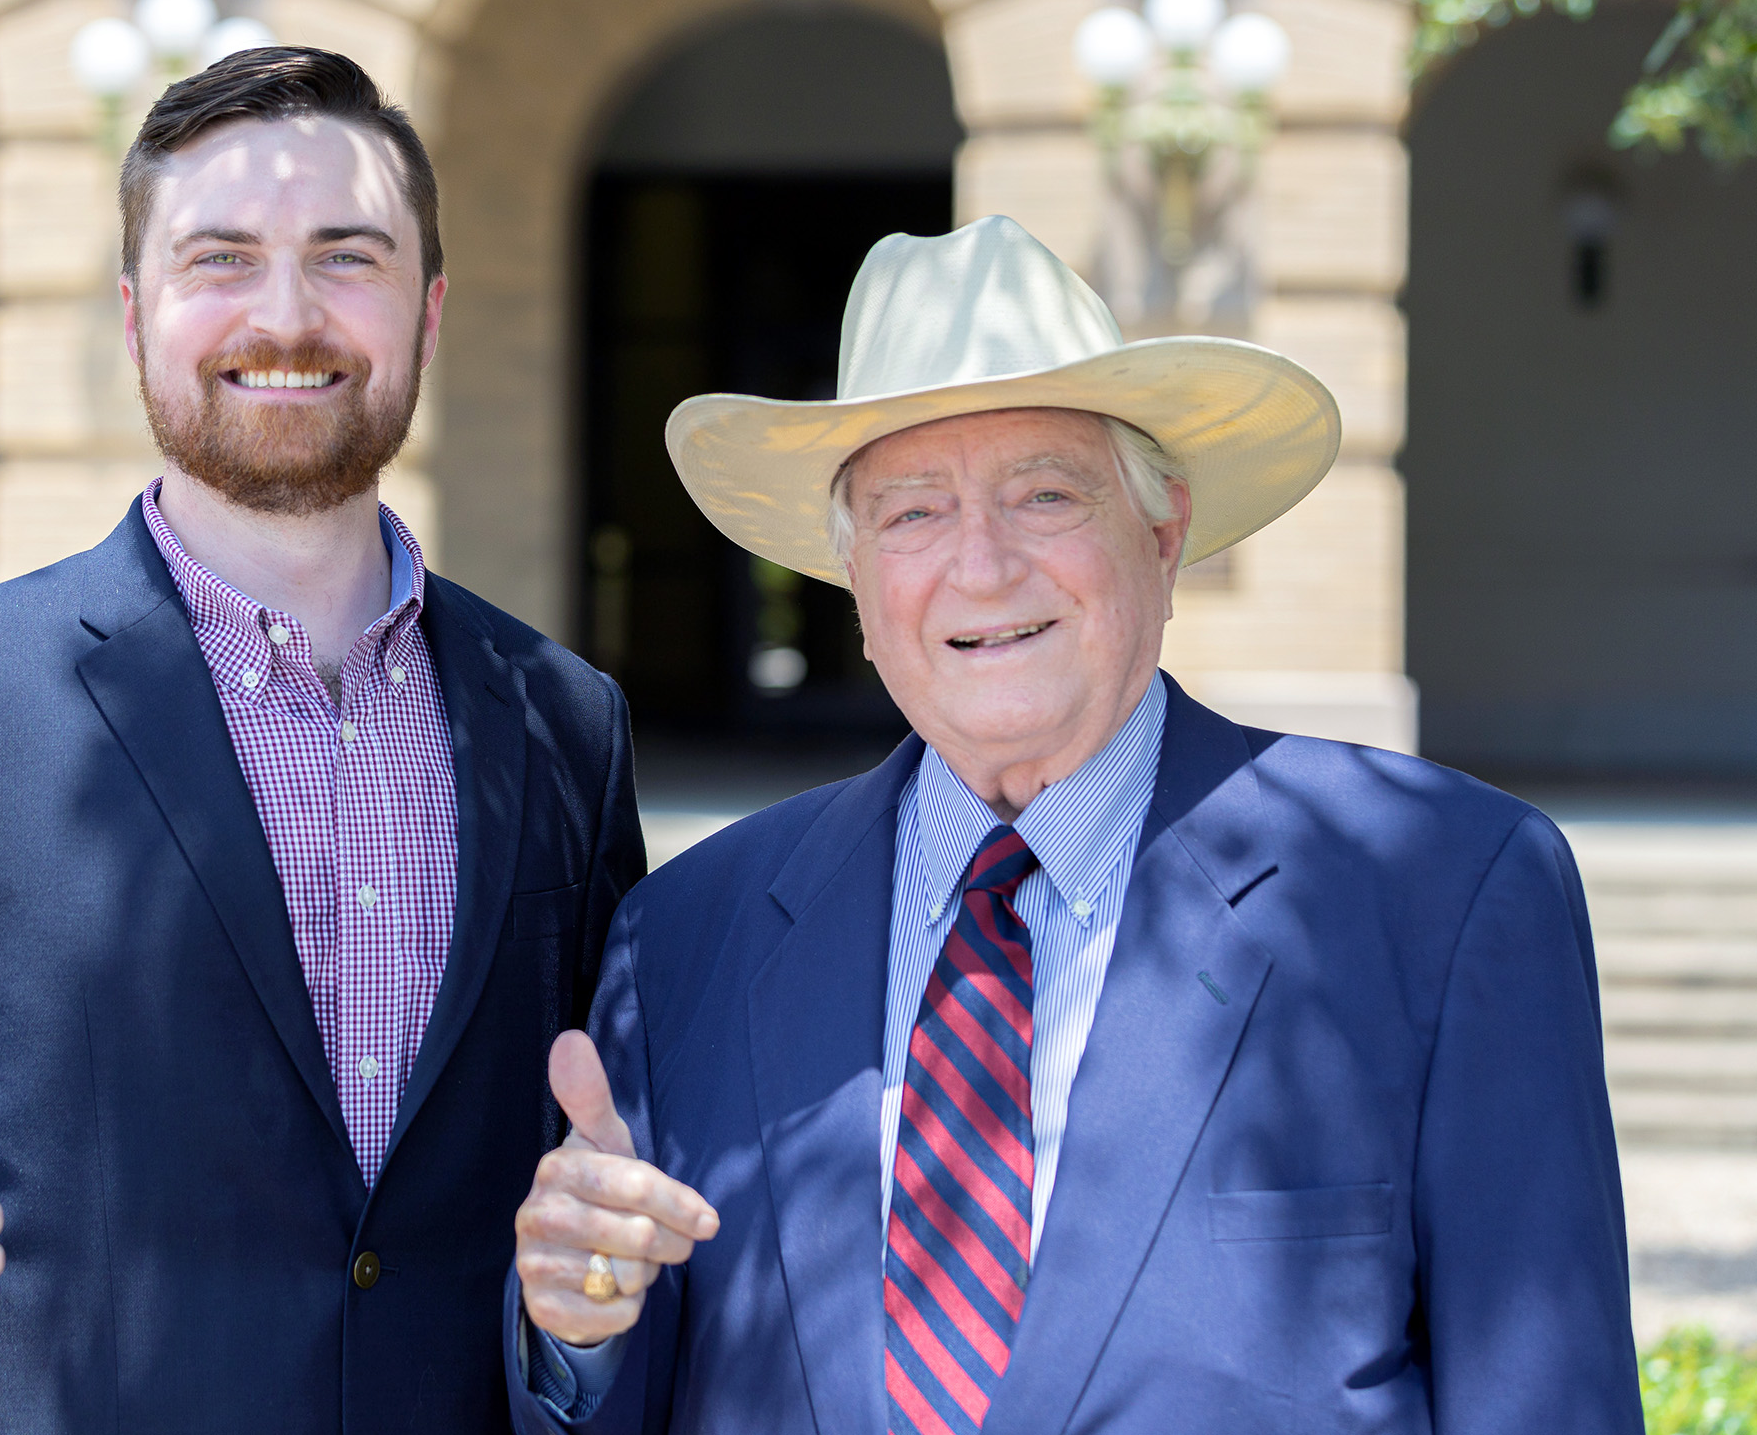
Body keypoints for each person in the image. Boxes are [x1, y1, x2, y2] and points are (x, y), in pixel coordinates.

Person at [505, 216, 1640, 1434]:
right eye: (913, 515)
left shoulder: (1442, 890)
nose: (982, 570)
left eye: (1045, 495)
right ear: (859, 591)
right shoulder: (687, 937)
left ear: (1162, 536)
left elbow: (1546, 1396)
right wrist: (578, 1331)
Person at [0, 47, 643, 1434]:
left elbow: (590, 1154)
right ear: (135, 316)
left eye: (346, 258)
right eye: (221, 259)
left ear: (426, 312)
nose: (287, 316)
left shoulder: (562, 719)